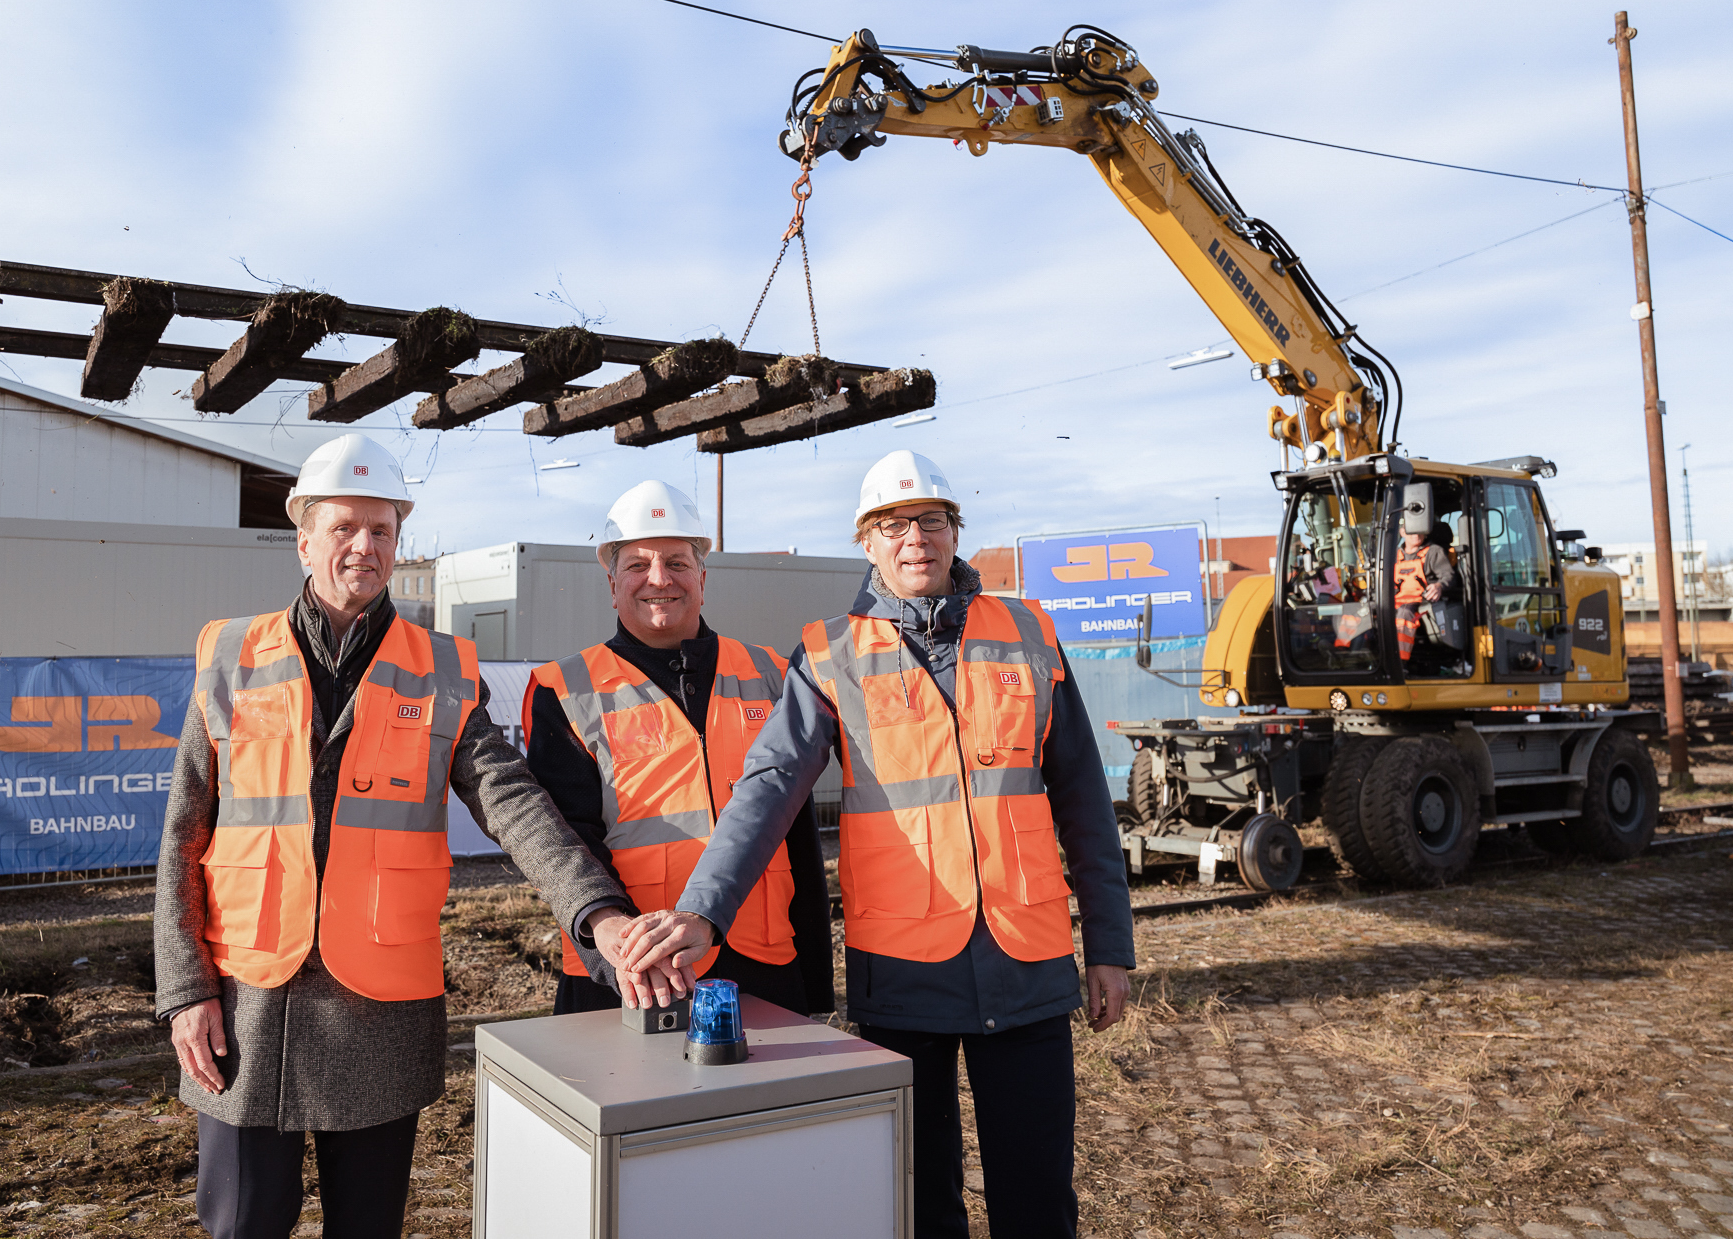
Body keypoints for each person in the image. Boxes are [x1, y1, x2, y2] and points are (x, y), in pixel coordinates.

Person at [615, 449, 1137, 1239]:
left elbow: (1085, 802)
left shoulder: (1028, 634)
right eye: (892, 525)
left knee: (1038, 1204)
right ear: (866, 542)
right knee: (919, 1207)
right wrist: (702, 912)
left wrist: (1110, 945)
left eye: (930, 520)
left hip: (1027, 966)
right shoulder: (831, 654)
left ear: (956, 531)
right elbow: (768, 789)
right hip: (904, 977)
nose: (914, 538)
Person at [154, 434, 663, 1239]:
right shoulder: (232, 656)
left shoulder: (440, 668)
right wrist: (185, 991)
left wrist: (599, 915)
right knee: (243, 1223)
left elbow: (514, 802)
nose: (364, 545)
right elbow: (184, 833)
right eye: (344, 527)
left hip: (379, 1011)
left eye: (382, 529)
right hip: (246, 1002)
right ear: (303, 539)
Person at [523, 479, 833, 1016]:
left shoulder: (771, 673)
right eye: (638, 565)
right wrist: (611, 939)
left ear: (703, 578)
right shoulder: (565, 690)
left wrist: (815, 983)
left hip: (764, 961)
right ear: (612, 584)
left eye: (676, 563)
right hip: (633, 969)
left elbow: (798, 836)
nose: (659, 579)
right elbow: (566, 840)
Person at [1394, 519, 1458, 670]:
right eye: (1411, 530)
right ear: (1402, 532)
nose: (1416, 534)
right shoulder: (1394, 555)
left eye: (1420, 530)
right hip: (1396, 599)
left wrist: (1439, 586)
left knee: (1404, 614)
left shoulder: (1433, 551)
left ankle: (1399, 664)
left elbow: (1448, 576)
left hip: (1421, 601)